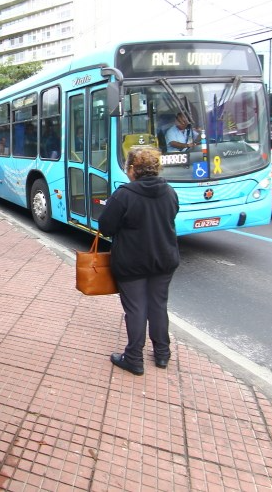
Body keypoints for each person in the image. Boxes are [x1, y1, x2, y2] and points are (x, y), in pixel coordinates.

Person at [97, 147, 180, 376]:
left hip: (132, 262)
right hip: (164, 259)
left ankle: (134, 358)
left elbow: (105, 226)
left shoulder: (124, 194)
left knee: (136, 309)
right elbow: (171, 216)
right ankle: (162, 354)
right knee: (158, 306)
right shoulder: (169, 191)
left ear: (133, 169)